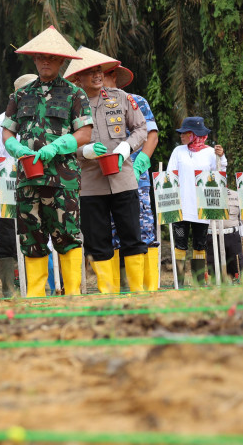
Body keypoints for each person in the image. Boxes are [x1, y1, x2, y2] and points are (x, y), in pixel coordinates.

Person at [2, 27, 92, 298]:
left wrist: (58, 145)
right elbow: (7, 130)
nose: (44, 62)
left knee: (67, 232)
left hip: (62, 176)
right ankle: (37, 294)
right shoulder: (19, 96)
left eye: (50, 58)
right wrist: (14, 147)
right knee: (31, 234)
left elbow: (85, 133)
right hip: (28, 176)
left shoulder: (75, 94)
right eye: (40, 57)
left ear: (61, 61)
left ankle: (73, 292)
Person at [65, 48, 147, 293]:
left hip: (124, 180)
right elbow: (62, 143)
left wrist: (126, 147)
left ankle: (138, 294)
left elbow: (141, 129)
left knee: (132, 237)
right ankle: (107, 295)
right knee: (98, 242)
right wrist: (83, 152)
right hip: (90, 184)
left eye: (98, 70)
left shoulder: (121, 97)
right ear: (78, 78)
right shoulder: (72, 106)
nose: (96, 75)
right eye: (89, 71)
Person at [104, 65, 161, 290]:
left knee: (143, 229)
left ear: (114, 77)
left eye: (105, 74)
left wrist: (140, 164)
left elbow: (151, 136)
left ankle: (149, 290)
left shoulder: (135, 100)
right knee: (111, 233)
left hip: (136, 179)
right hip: (105, 180)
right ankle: (117, 291)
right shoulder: (91, 105)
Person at [0, 73, 36, 297]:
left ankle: (34, 286)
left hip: (34, 185)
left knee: (35, 234)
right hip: (5, 189)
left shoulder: (42, 119)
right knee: (7, 240)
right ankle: (8, 290)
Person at [167, 116, 227, 286]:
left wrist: (221, 158)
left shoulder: (210, 153)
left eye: (185, 133)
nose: (181, 136)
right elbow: (170, 176)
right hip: (182, 208)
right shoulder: (178, 151)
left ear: (194, 134)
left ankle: (199, 282)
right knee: (180, 244)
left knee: (200, 245)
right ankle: (178, 283)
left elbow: (220, 175)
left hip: (202, 208)